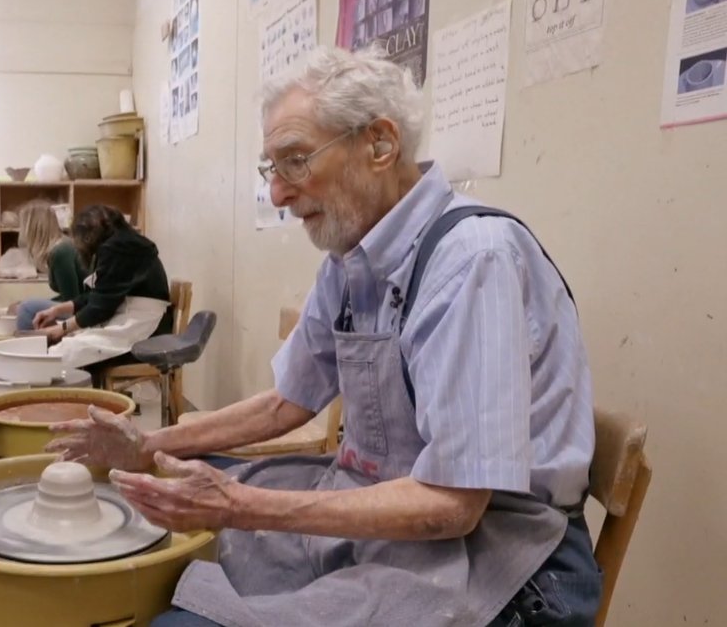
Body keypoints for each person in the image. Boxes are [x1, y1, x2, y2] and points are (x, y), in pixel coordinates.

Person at [47, 46, 601, 627]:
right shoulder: (350, 260)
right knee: (175, 507)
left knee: (183, 611)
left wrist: (240, 506)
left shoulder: (471, 261)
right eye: (273, 168)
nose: (280, 193)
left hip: (504, 553)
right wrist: (148, 446)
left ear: (380, 144)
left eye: (295, 160)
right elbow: (288, 403)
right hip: (397, 510)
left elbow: (453, 506)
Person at [32, 205, 172, 370]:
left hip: (144, 326)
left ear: (88, 234)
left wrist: (61, 328)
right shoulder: (121, 242)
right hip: (133, 316)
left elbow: (100, 307)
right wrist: (56, 311)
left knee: (65, 353)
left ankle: (76, 394)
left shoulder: (119, 247)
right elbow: (98, 296)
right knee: (71, 342)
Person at [7, 200, 86, 331]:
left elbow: (72, 300)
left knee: (26, 308)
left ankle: (26, 348)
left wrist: (27, 306)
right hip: (84, 303)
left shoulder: (61, 252)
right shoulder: (61, 247)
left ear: (32, 228)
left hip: (87, 308)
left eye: (22, 226)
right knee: (24, 306)